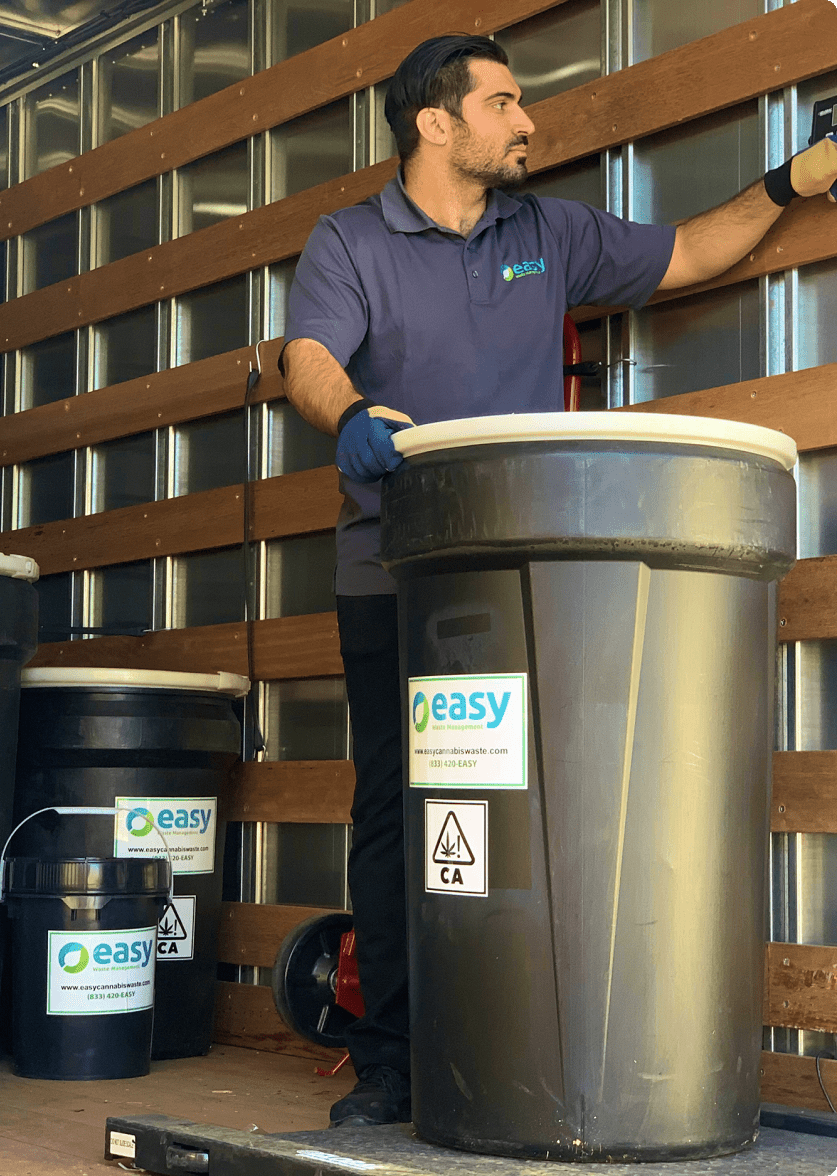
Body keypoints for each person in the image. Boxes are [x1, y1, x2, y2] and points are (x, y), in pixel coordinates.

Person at [280, 34, 837, 1129]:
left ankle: (524, 1047)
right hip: (394, 575)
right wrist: (345, 417)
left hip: (531, 577)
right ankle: (393, 1056)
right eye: (503, 103)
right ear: (435, 124)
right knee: (399, 814)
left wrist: (788, 181)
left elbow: (686, 255)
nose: (526, 121)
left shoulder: (551, 232)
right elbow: (309, 354)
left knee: (531, 805)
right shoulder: (349, 241)